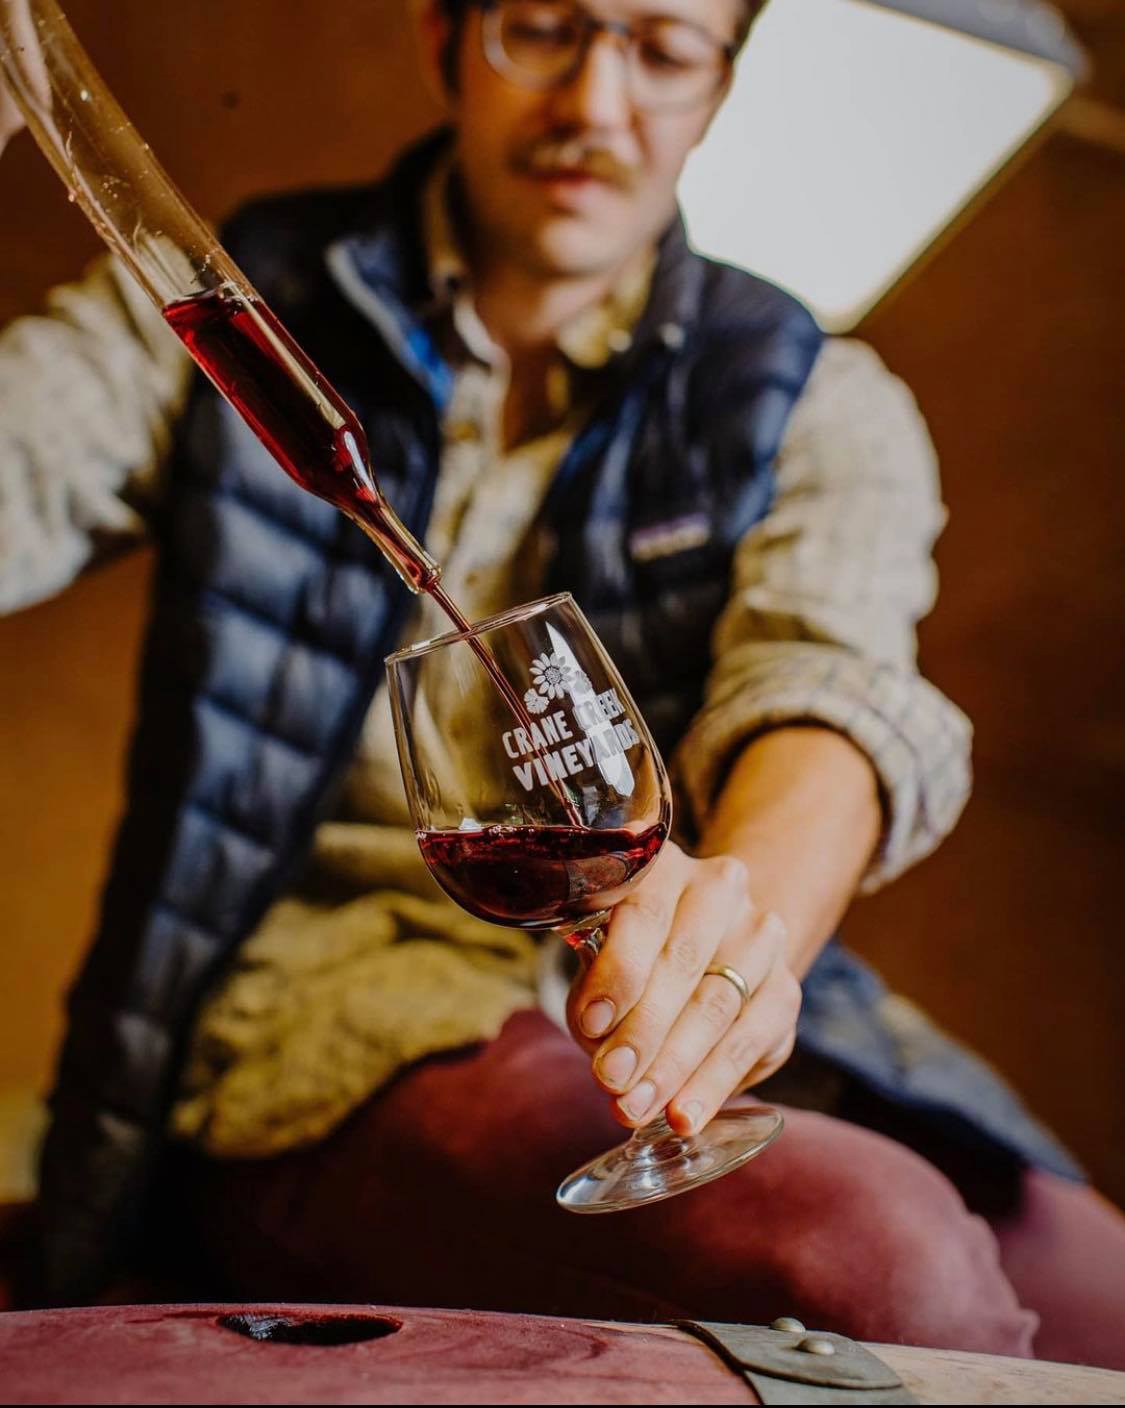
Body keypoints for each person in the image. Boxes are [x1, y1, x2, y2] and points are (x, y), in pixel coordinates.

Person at [3, 0, 1124, 1367]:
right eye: (544, 27)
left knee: (1103, 1304)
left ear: (720, 84)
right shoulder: (216, 319)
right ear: (442, 41)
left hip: (688, 985)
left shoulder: (812, 395)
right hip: (338, 1011)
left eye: (661, 48)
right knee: (871, 1261)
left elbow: (830, 685)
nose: (595, 101)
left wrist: (738, 920)